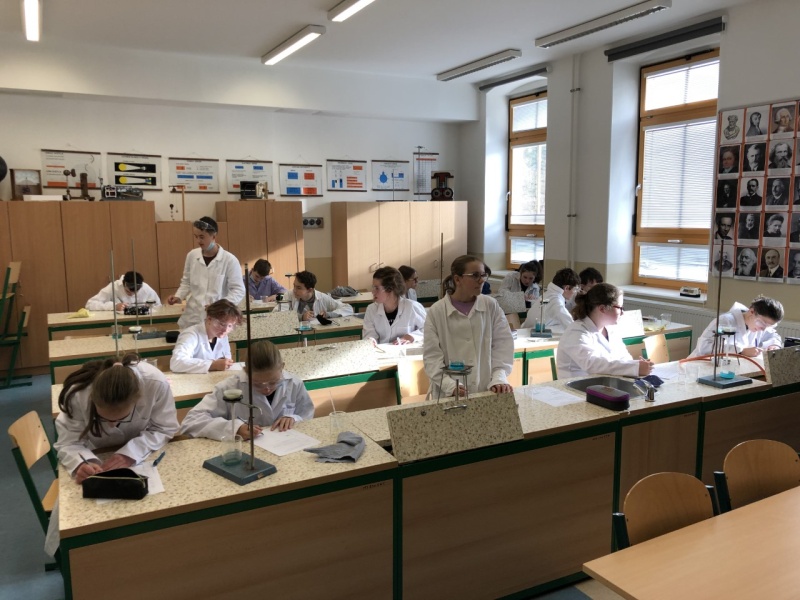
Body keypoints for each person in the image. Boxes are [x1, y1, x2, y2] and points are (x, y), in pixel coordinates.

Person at [46, 353, 180, 555]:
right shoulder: (79, 393)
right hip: (95, 452)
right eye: (104, 418)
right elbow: (68, 442)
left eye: (120, 418)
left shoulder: (154, 383)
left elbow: (165, 427)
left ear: (138, 399)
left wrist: (130, 453)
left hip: (141, 456)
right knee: (89, 518)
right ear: (93, 398)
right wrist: (82, 463)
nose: (111, 425)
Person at [180, 340, 314, 437]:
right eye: (257, 384)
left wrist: (294, 418)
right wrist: (234, 428)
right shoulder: (228, 387)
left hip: (285, 446)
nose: (267, 389)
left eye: (273, 382)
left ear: (282, 367)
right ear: (245, 371)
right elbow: (190, 422)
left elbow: (307, 415)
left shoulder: (294, 383)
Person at [423, 255, 513, 398]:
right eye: (475, 275)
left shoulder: (491, 305)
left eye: (483, 275)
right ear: (457, 279)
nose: (481, 280)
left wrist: (499, 378)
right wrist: (450, 385)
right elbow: (432, 358)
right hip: (448, 393)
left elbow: (503, 346)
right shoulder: (437, 311)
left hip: (486, 388)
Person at [556, 283, 653, 379]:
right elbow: (592, 363)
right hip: (575, 386)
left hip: (602, 383)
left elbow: (623, 357)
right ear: (602, 308)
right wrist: (634, 367)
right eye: (620, 308)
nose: (622, 313)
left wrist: (636, 364)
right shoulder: (576, 332)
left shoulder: (610, 329)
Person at [167, 217, 246, 329]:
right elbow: (186, 282)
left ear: (213, 236)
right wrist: (178, 296)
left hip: (217, 318)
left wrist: (220, 306)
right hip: (192, 317)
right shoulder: (192, 256)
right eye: (196, 237)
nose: (198, 241)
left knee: (213, 338)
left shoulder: (229, 260)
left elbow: (238, 290)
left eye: (202, 237)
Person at [690, 296, 783, 357]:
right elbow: (705, 347)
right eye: (762, 323)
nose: (763, 329)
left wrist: (774, 345)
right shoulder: (728, 323)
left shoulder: (762, 325)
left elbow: (774, 336)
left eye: (769, 326)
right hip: (699, 366)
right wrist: (741, 351)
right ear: (751, 312)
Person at [170, 299, 242, 373]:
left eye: (230, 326)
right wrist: (212, 365)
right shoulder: (191, 334)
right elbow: (176, 362)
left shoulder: (222, 335)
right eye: (222, 324)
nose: (225, 330)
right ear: (209, 319)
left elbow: (226, 359)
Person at [362, 266, 426, 345]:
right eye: (373, 287)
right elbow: (369, 334)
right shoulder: (371, 309)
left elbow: (429, 329)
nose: (373, 292)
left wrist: (411, 337)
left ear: (390, 289)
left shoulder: (412, 307)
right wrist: (371, 340)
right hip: (381, 351)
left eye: (377, 288)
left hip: (405, 352)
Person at [523, 267, 580, 334]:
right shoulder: (555, 300)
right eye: (575, 289)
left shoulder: (549, 294)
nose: (575, 292)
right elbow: (569, 324)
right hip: (531, 335)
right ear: (567, 288)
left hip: (527, 331)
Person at [281, 270, 353, 321]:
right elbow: (280, 315)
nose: (294, 290)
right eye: (294, 286)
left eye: (299, 288)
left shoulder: (322, 298)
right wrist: (301, 317)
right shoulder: (289, 295)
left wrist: (329, 314)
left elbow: (348, 308)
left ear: (310, 290)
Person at [86, 270, 161, 312]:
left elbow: (159, 307)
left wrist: (149, 308)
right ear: (123, 284)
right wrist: (114, 306)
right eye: (128, 292)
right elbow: (90, 304)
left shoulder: (146, 289)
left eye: (135, 293)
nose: (131, 294)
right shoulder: (114, 287)